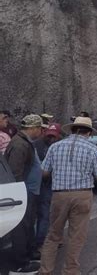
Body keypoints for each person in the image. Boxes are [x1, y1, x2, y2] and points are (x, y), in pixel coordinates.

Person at [39, 117, 97, 274]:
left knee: (53, 235)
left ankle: (45, 271)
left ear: (72, 130)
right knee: (76, 236)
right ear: (88, 133)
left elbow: (44, 172)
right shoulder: (92, 149)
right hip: (82, 195)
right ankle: (70, 271)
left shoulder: (55, 147)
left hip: (59, 195)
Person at [4, 115, 45, 274]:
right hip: (23, 193)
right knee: (21, 228)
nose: (41, 132)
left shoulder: (24, 142)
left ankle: (29, 253)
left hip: (29, 191)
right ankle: (21, 262)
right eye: (40, 128)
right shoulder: (20, 145)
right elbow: (15, 172)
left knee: (28, 225)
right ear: (33, 128)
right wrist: (20, 194)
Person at [33, 123, 62, 251]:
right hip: (44, 184)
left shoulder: (56, 145)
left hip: (49, 184)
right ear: (45, 133)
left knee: (51, 214)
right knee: (45, 215)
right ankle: (41, 242)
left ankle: (50, 238)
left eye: (53, 137)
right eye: (49, 136)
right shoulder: (38, 146)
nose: (51, 139)